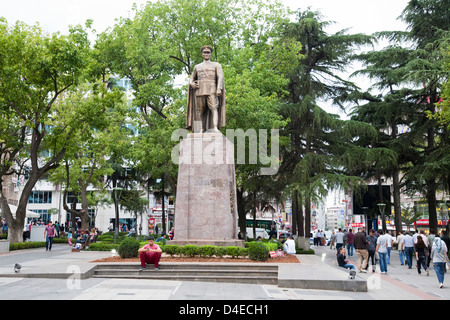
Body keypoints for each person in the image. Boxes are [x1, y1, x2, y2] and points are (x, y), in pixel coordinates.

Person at [186, 45, 226, 133]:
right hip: (199, 90)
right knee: (199, 111)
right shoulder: (197, 66)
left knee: (214, 108)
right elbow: (191, 78)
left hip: (212, 89)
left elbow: (220, 77)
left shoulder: (216, 65)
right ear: (202, 54)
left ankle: (215, 127)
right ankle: (200, 129)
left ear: (210, 54)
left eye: (208, 52)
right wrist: (191, 83)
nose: (206, 54)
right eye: (205, 52)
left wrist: (219, 88)